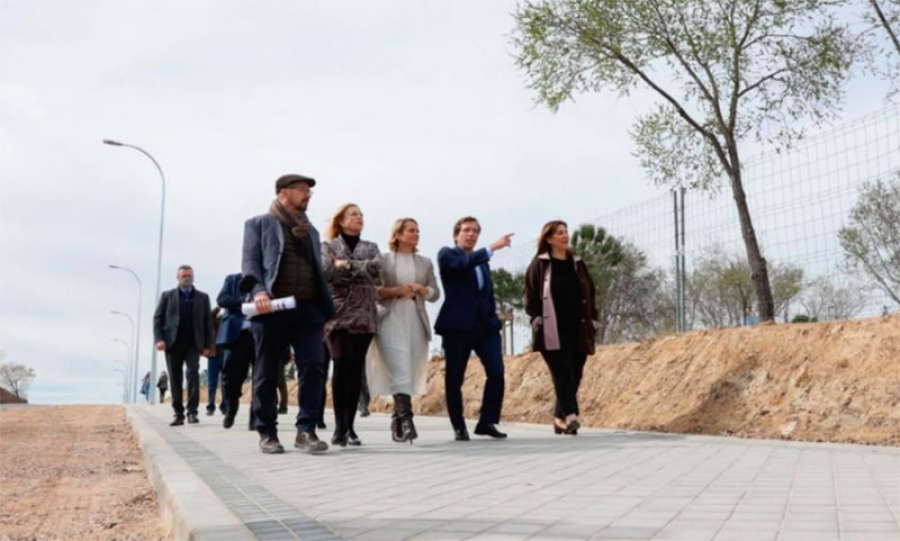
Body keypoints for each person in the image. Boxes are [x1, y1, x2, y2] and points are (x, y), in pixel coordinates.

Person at [242, 173, 335, 454]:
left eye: (309, 191)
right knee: (267, 371)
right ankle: (267, 432)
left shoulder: (311, 232)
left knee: (313, 366)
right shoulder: (258, 224)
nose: (308, 195)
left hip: (308, 309)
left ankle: (306, 430)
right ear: (284, 192)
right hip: (271, 308)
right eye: (303, 190)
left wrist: (326, 312)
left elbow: (317, 272)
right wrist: (259, 291)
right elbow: (250, 263)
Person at [434, 217, 513, 441]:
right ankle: (459, 425)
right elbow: (460, 266)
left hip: (485, 327)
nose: (471, 234)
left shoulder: (482, 261)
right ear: (456, 234)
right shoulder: (447, 254)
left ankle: (486, 421)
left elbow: (487, 293)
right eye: (466, 230)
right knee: (455, 378)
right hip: (458, 327)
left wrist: (493, 318)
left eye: (475, 231)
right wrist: (492, 248)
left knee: (496, 372)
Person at [367, 218, 441, 443]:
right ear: (398, 235)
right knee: (399, 368)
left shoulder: (425, 262)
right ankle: (408, 421)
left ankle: (396, 419)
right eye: (411, 230)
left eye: (418, 230)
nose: (416, 234)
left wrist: (422, 289)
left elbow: (435, 293)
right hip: (390, 319)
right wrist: (396, 291)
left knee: (407, 371)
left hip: (416, 321)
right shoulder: (383, 260)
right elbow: (374, 290)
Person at [524, 220, 599, 435]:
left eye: (566, 232)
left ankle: (559, 418)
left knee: (575, 372)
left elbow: (590, 292)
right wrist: (537, 319)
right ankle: (571, 416)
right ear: (548, 238)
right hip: (551, 329)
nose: (565, 236)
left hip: (578, 327)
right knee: (562, 371)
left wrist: (594, 319)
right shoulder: (539, 264)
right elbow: (530, 295)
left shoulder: (577, 262)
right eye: (559, 233)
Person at [321, 203, 382, 447]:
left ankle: (350, 426)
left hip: (364, 316)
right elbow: (327, 272)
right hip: (338, 315)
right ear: (341, 220)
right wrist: (359, 268)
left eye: (361, 214)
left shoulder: (371, 247)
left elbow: (376, 272)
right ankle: (339, 427)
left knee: (356, 369)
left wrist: (345, 265)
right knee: (340, 365)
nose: (359, 218)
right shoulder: (328, 246)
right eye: (354, 214)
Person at [153, 265, 215, 426]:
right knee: (175, 378)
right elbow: (158, 319)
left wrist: (208, 345)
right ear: (178, 277)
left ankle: (192, 412)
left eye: (189, 275)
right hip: (172, 343)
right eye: (184, 276)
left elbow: (208, 323)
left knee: (193, 373)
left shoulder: (203, 297)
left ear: (193, 277)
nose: (187, 278)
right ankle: (178, 413)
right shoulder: (167, 296)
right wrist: (159, 339)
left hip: (194, 344)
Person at [217, 273, 258, 430]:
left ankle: (255, 419)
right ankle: (230, 408)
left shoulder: (269, 280)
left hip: (260, 334)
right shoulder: (233, 280)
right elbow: (222, 300)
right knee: (230, 377)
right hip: (236, 336)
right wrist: (245, 299)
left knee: (261, 378)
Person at [206, 307, 225, 415]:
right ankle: (210, 406)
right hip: (214, 354)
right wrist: (219, 306)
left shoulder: (229, 320)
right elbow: (210, 315)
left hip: (226, 354)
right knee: (212, 383)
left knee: (225, 383)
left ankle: (224, 406)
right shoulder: (214, 321)